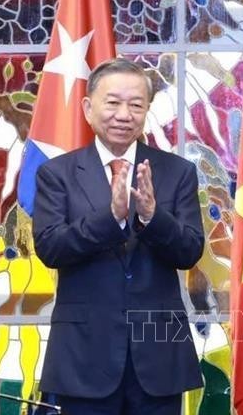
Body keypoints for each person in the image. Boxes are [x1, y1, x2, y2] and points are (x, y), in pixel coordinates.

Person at [32, 58, 204, 415]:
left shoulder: (177, 172)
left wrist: (151, 216)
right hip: (84, 357)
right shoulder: (57, 174)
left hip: (158, 360)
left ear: (146, 111)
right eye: (113, 102)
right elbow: (50, 247)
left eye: (136, 105)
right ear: (88, 107)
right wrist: (110, 219)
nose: (124, 114)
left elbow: (189, 251)